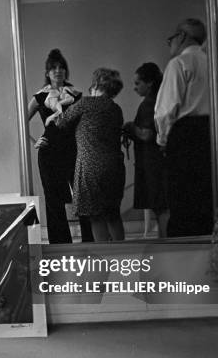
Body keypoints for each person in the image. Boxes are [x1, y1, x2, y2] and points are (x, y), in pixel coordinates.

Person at [27, 48, 93, 244]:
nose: (58, 71)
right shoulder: (39, 96)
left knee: (82, 196)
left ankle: (90, 240)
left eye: (61, 67)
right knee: (53, 200)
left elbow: (84, 124)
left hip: (73, 150)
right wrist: (34, 141)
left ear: (66, 71)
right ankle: (60, 244)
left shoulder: (76, 94)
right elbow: (20, 121)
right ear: (47, 72)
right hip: (49, 151)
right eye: (53, 68)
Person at [155, 18, 213, 237]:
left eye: (172, 38)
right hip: (212, 132)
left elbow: (166, 110)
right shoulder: (213, 62)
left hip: (185, 134)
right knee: (206, 197)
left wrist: (163, 141)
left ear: (182, 37)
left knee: (182, 199)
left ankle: (184, 252)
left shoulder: (179, 64)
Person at [54, 68, 125, 241]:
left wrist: (55, 113)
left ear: (95, 84)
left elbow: (62, 123)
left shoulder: (86, 103)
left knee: (96, 216)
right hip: (114, 168)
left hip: (91, 168)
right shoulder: (116, 109)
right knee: (113, 214)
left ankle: (105, 259)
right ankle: (123, 256)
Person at [123, 62, 169, 238]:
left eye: (137, 83)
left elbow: (147, 134)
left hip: (153, 163)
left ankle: (167, 245)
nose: (134, 88)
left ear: (149, 83)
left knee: (160, 207)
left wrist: (130, 127)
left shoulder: (149, 104)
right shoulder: (158, 99)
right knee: (160, 207)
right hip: (156, 160)